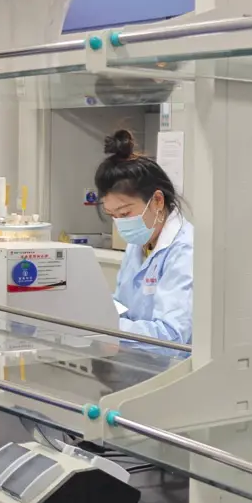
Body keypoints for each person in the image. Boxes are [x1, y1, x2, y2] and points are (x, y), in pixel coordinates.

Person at [95, 130, 194, 347]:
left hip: (177, 363)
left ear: (157, 201)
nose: (120, 223)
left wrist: (105, 326)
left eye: (124, 213)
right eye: (112, 215)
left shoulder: (186, 250)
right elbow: (124, 306)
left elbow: (171, 336)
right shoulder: (140, 242)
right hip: (139, 359)